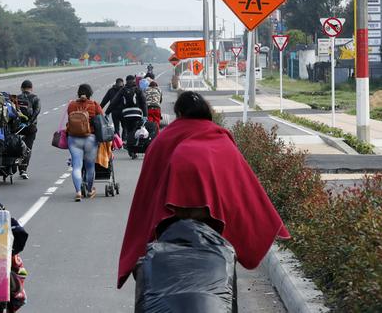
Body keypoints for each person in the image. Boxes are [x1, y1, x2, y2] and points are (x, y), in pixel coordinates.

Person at [117, 91, 290, 289]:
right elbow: (240, 188)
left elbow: (147, 193)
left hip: (170, 225)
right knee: (220, 282)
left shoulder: (162, 141)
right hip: (213, 226)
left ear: (179, 113)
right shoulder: (221, 138)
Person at [66, 84, 104, 202]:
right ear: (90, 93)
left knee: (76, 165)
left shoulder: (71, 105)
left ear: (78, 93)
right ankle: (89, 189)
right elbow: (102, 119)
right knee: (90, 166)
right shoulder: (94, 105)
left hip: (73, 138)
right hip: (90, 138)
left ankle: (78, 191)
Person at [106, 75, 147, 143]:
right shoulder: (138, 89)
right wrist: (145, 115)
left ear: (126, 81)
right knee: (136, 128)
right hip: (137, 113)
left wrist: (107, 112)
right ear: (134, 81)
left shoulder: (123, 90)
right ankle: (135, 143)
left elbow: (114, 102)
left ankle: (129, 144)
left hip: (126, 114)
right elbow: (144, 103)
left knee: (128, 129)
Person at [17, 80, 41, 180]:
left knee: (15, 145)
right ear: (31, 88)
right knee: (28, 147)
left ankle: (14, 164)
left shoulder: (16, 98)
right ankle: (23, 169)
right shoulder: (35, 98)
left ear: (21, 88)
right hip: (30, 128)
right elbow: (37, 111)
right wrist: (29, 122)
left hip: (17, 127)